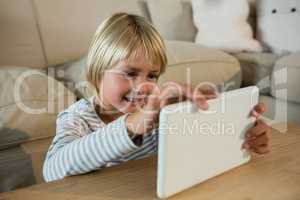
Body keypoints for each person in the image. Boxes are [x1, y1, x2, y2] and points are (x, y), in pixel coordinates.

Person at [43, 12, 271, 182]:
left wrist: (238, 133)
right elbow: (52, 170)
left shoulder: (162, 116)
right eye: (130, 73)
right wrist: (133, 125)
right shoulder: (76, 118)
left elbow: (195, 154)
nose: (142, 86)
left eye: (152, 75)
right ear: (96, 71)